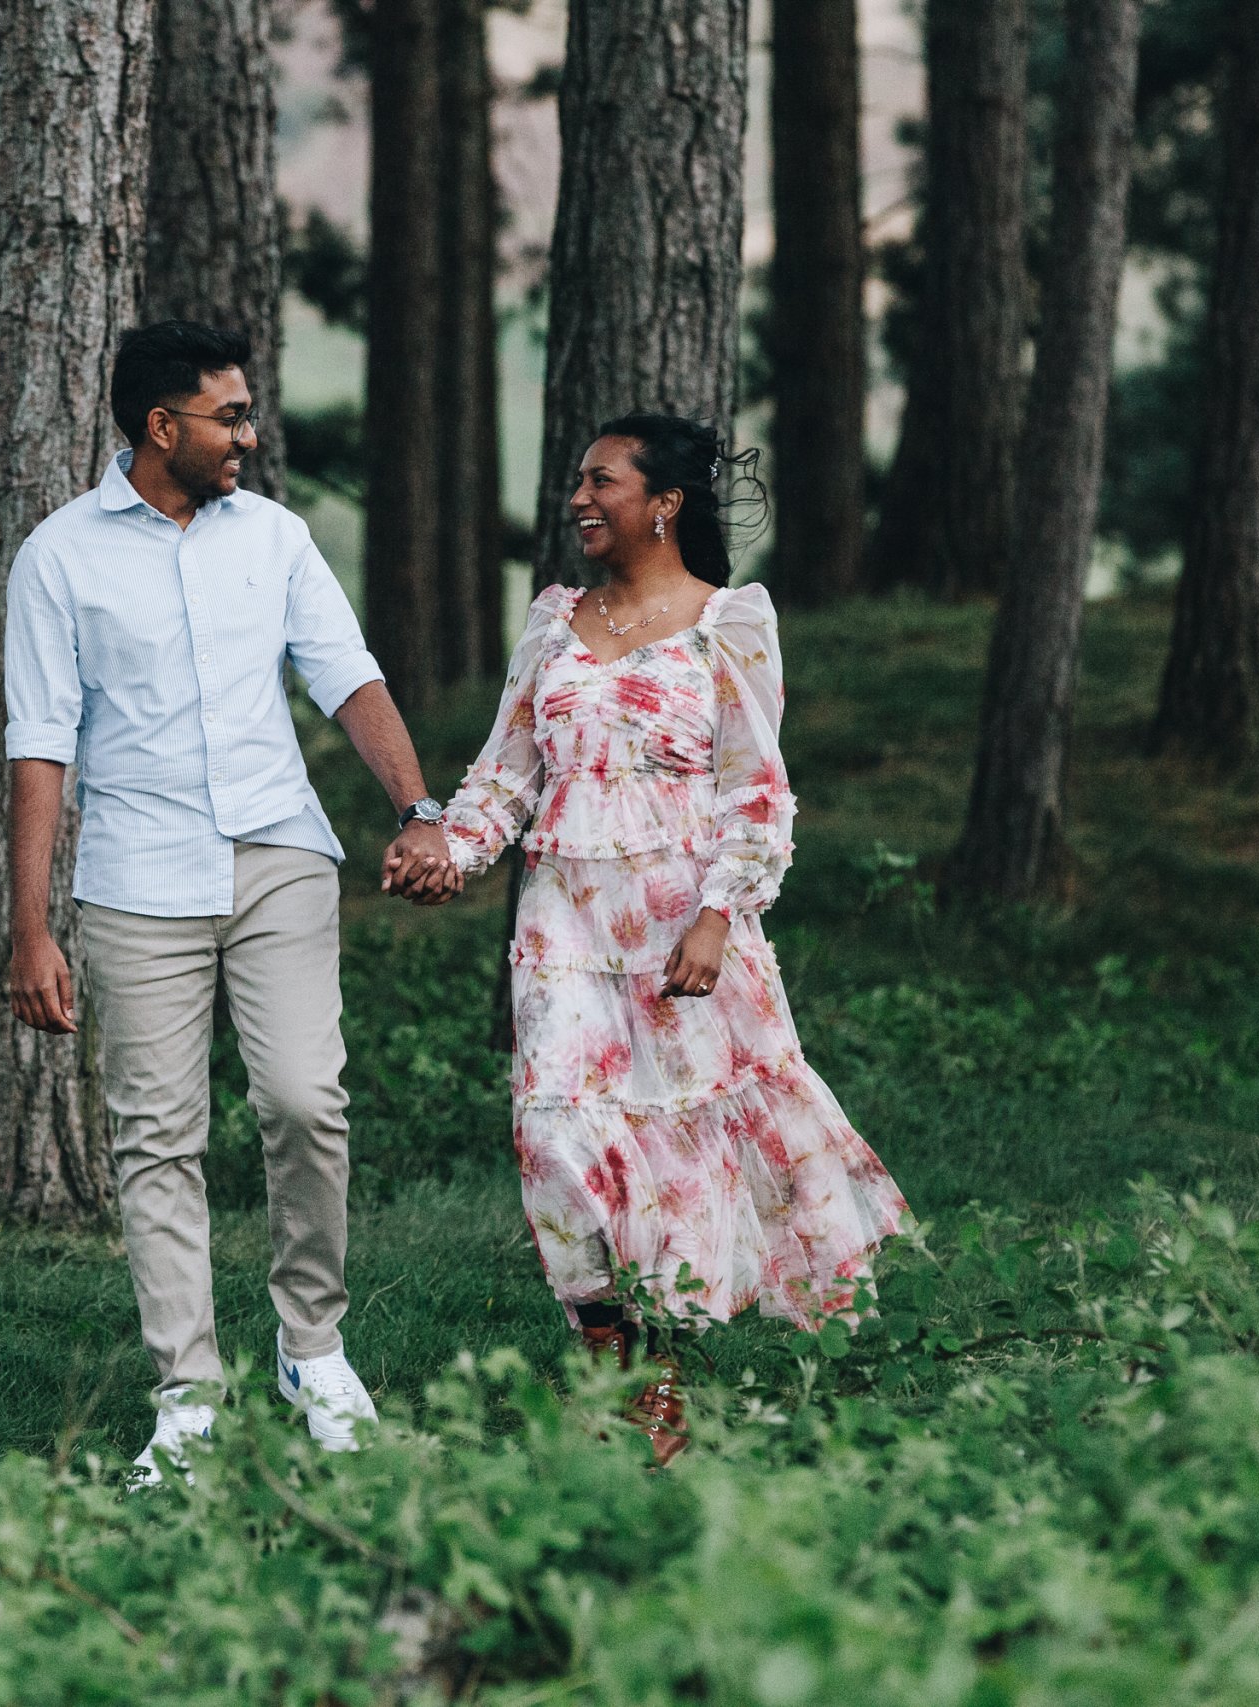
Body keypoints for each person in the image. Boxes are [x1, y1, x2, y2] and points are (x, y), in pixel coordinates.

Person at [390, 413, 907, 1465]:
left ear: (663, 503)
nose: (579, 499)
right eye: (577, 482)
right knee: (554, 1136)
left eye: (602, 482)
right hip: (566, 926)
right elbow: (508, 772)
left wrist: (722, 914)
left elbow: (756, 790)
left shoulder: (730, 623)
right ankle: (614, 1361)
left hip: (685, 931)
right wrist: (452, 851)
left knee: (680, 1149)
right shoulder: (550, 623)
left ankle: (659, 1367)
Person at [4, 321, 456, 1484]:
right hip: (138, 881)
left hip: (277, 856)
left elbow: (347, 676)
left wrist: (418, 809)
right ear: (163, 428)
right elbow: (40, 748)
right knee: (157, 1139)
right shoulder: (58, 557)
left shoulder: (277, 539)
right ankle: (189, 1400)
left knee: (309, 1103)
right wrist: (32, 927)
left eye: (248, 413)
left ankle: (314, 1348)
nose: (250, 436)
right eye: (231, 417)